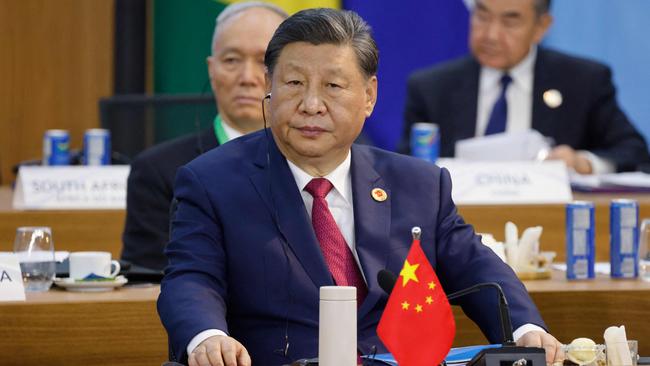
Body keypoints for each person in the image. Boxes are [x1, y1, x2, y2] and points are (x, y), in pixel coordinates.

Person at [158, 8, 564, 366]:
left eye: (333, 87)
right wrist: (207, 337)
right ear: (270, 86)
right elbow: (191, 278)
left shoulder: (419, 184)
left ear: (369, 96)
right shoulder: (212, 181)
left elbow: (478, 267)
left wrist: (525, 330)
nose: (311, 105)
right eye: (294, 83)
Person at [120, 2, 287, 270]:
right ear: (211, 69)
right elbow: (149, 280)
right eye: (232, 60)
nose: (247, 77)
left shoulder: (316, 162)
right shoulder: (158, 171)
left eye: (264, 61)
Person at [400, 0, 650, 174]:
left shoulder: (583, 81)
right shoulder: (432, 88)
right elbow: (403, 166)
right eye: (482, 16)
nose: (491, 35)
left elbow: (634, 152)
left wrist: (582, 162)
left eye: (510, 22)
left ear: (541, 27)